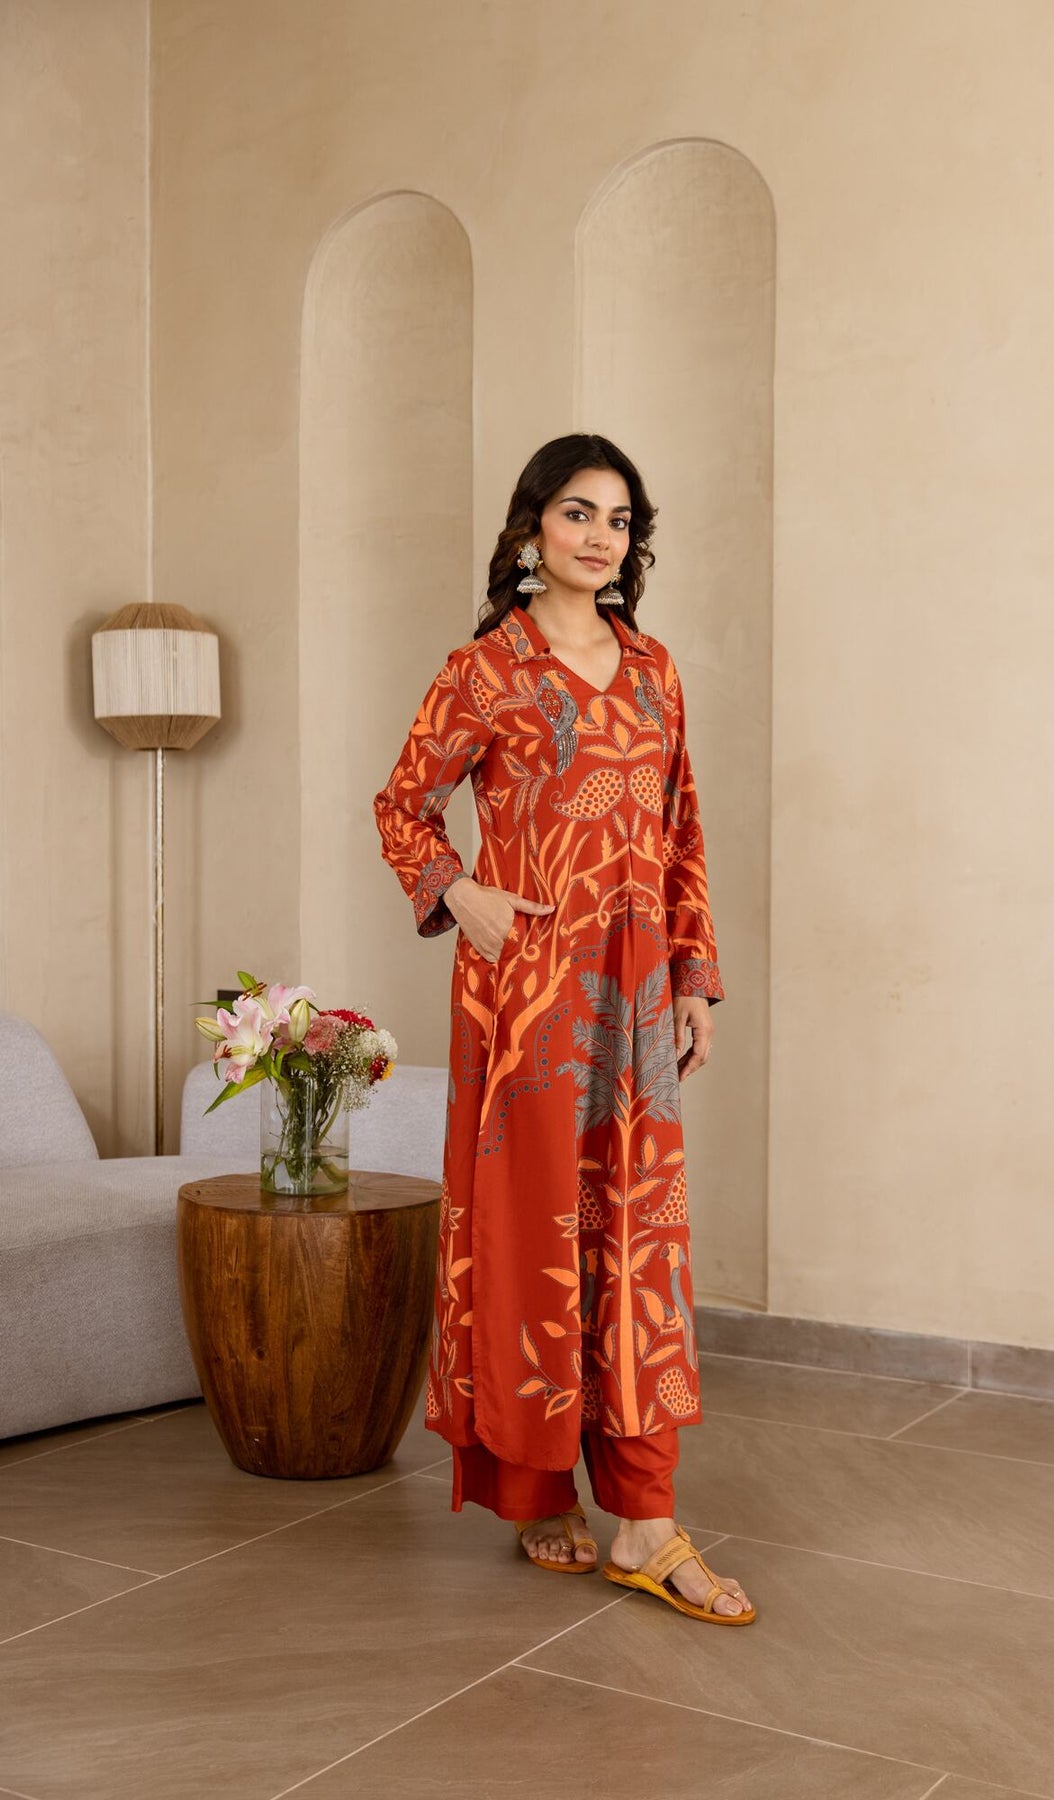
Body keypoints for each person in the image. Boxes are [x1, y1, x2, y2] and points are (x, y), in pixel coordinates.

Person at [373, 433, 754, 1623]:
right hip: (528, 994)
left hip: (634, 998)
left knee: (635, 1237)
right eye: (579, 513)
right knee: (530, 1227)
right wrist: (459, 890)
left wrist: (692, 975)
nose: (600, 537)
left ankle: (644, 1515)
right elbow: (402, 806)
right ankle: (536, 1486)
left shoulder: (653, 670)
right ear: (532, 525)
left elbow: (681, 829)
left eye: (619, 520)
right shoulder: (484, 670)